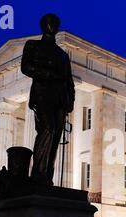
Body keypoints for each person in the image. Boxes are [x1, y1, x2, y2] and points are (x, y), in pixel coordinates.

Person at [21, 13, 75, 186]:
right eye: (51, 23)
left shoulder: (62, 55)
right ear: (44, 25)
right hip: (42, 95)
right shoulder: (33, 45)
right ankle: (37, 175)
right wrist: (49, 74)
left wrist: (71, 101)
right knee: (48, 130)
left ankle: (47, 178)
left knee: (56, 138)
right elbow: (26, 67)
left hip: (60, 100)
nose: (54, 26)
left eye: (56, 23)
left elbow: (69, 81)